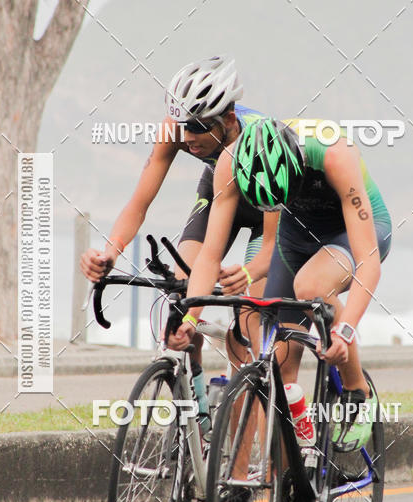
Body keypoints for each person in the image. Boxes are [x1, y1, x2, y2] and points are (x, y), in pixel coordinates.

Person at [169, 117, 391, 446]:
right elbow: (209, 256)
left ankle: (358, 392)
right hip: (296, 234)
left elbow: (369, 262)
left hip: (351, 231)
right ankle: (293, 484)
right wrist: (191, 317)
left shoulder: (334, 155)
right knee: (279, 366)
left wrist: (345, 331)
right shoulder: (231, 162)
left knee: (312, 286)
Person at [80, 57, 278, 418]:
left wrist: (250, 274)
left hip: (268, 200)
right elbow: (139, 203)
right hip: (220, 193)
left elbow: (268, 246)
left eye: (199, 127)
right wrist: (111, 251)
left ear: (229, 120)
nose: (187, 138)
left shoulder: (259, 140)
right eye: (183, 125)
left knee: (250, 315)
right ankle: (197, 403)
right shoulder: (177, 130)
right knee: (180, 287)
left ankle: (242, 435)